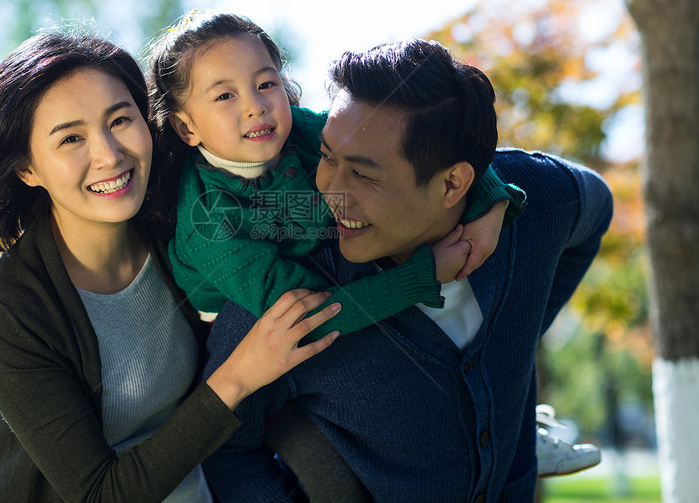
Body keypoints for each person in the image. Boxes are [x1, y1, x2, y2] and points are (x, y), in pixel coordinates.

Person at [0, 28, 343, 502]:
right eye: (71, 139)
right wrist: (237, 375)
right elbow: (98, 494)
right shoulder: (9, 305)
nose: (108, 155)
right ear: (28, 169)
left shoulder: (179, 226)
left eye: (120, 120)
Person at [200, 38, 613, 501]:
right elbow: (222, 445)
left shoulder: (531, 199)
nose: (330, 191)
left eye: (363, 174)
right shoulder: (284, 294)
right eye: (327, 156)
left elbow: (597, 204)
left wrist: (520, 340)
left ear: (454, 183)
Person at [148, 11, 525, 338]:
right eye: (224, 96)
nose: (256, 106)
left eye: (266, 84)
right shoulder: (208, 221)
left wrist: (491, 202)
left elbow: (441, 144)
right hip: (250, 314)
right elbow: (310, 315)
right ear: (186, 129)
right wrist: (421, 276)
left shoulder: (302, 129)